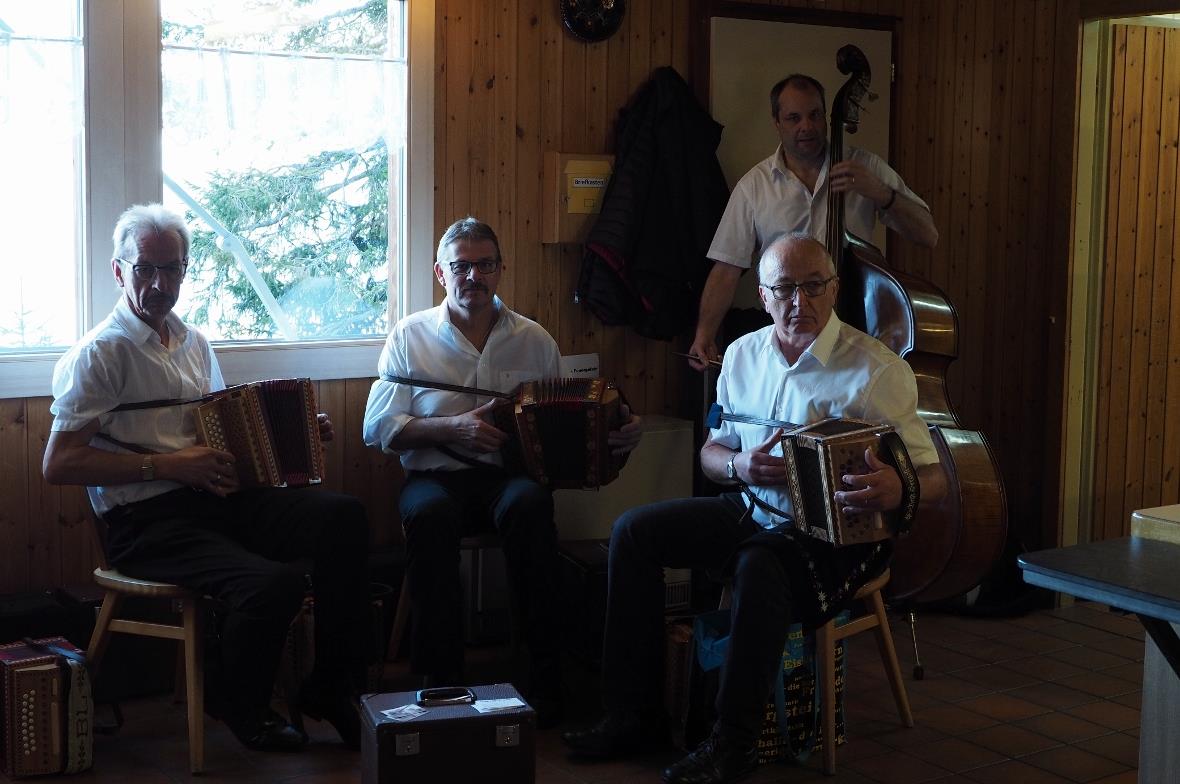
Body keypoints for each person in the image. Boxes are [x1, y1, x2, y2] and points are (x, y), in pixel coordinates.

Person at [563, 233, 947, 784]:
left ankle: (732, 745)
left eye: (814, 286)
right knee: (633, 532)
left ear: (834, 289)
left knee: (759, 565)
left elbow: (931, 478)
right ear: (763, 295)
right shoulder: (741, 355)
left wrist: (896, 488)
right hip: (752, 507)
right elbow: (712, 453)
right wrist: (739, 468)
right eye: (785, 289)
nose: (800, 302)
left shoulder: (877, 371)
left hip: (837, 537)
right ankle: (633, 714)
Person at [43, 204, 371, 752]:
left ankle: (333, 686)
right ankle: (238, 703)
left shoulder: (194, 343)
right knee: (274, 583)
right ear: (119, 270)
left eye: (172, 269)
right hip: (143, 523)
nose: (159, 283)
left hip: (212, 502)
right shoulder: (100, 354)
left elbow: (216, 433)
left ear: (186, 270)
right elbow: (58, 464)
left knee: (343, 517)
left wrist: (291, 431)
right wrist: (165, 465)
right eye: (145, 269)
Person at [362, 217, 642, 727]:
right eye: (461, 266)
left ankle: (545, 679)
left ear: (500, 269)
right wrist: (453, 430)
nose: (474, 276)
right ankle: (440, 684)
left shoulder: (534, 339)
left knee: (531, 506)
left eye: (484, 265)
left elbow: (572, 421)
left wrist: (617, 434)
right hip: (434, 477)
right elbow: (377, 426)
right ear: (441, 274)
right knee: (428, 518)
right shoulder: (410, 335)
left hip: (508, 476)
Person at [688, 73, 939, 370]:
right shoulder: (755, 186)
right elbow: (727, 268)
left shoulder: (864, 167)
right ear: (777, 123)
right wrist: (704, 333)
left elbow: (928, 235)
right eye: (793, 118)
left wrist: (882, 193)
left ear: (826, 118)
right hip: (787, 334)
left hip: (858, 328)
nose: (806, 126)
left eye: (814, 115)